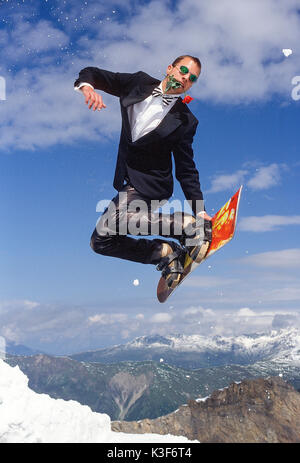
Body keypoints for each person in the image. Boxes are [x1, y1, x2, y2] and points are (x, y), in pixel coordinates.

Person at [74, 55, 212, 288]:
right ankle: (163, 253)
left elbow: (186, 169)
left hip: (154, 185)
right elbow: (93, 73)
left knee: (117, 220)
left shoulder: (186, 120)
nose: (186, 78)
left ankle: (187, 226)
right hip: (130, 181)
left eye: (192, 78)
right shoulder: (138, 83)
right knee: (100, 241)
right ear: (170, 69)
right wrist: (87, 87)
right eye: (183, 71)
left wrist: (200, 211)